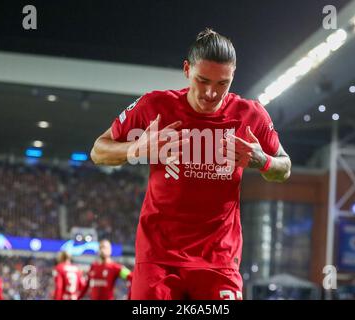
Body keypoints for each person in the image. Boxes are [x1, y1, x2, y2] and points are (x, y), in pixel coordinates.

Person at [90, 28, 291, 300]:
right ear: (187, 70)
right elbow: (98, 151)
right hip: (158, 259)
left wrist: (263, 160)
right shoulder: (155, 106)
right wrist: (137, 148)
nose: (211, 93)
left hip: (218, 261)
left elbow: (284, 167)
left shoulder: (250, 115)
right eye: (203, 80)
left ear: (233, 76)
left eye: (223, 83)